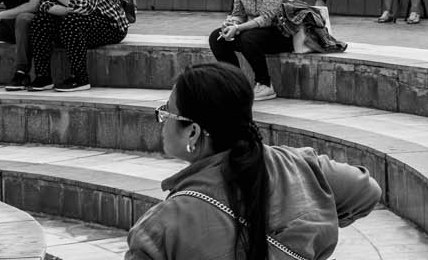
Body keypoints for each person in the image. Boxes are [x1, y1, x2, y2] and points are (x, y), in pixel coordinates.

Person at [127, 64, 382, 260]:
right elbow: (368, 191)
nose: (161, 119)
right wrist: (319, 207)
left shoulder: (161, 227)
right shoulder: (297, 165)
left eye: (167, 111)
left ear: (193, 132)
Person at [209, 0, 297, 101]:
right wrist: (231, 23)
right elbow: (238, 13)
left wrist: (239, 28)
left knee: (247, 37)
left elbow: (266, 19)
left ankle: (265, 84)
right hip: (258, 33)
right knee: (217, 37)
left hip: (282, 33)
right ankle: (235, 83)